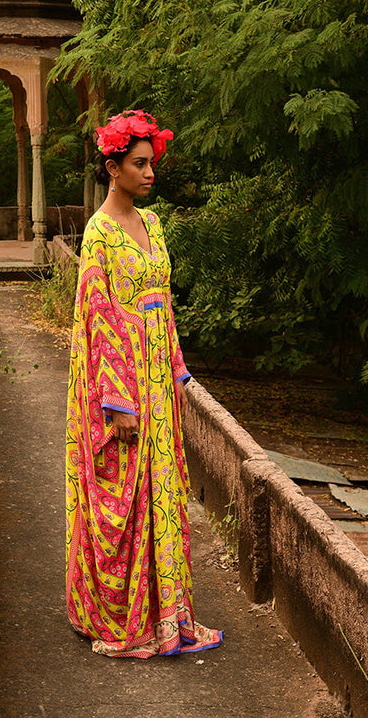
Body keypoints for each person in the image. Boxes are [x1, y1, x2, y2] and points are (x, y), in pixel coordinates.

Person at [65, 110, 223, 658]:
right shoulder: (98, 234)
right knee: (123, 494)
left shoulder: (152, 225)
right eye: (139, 164)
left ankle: (168, 614)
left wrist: (177, 371)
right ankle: (122, 616)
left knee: (162, 493)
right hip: (123, 383)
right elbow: (99, 318)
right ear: (113, 168)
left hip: (157, 379)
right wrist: (117, 402)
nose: (150, 173)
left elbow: (164, 302)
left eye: (151, 163)